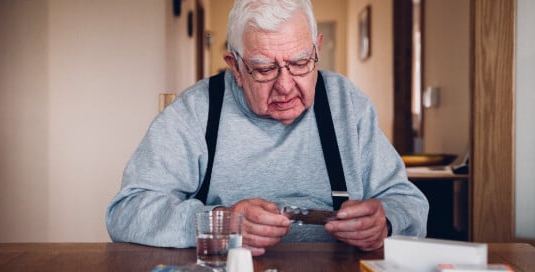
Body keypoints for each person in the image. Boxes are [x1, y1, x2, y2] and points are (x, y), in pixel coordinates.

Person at [106, 0, 428, 256]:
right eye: (264, 69)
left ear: (317, 48)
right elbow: (126, 212)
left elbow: (408, 202)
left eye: (301, 63)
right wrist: (220, 223)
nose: (286, 86)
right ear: (235, 66)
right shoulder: (196, 111)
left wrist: (385, 221)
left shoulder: (347, 104)